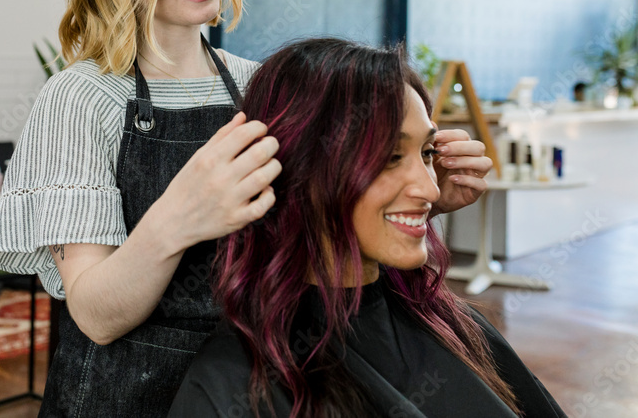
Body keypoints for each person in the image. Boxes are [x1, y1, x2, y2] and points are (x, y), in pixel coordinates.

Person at [0, 0, 493, 417]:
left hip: (253, 389)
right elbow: (97, 317)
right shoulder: (80, 100)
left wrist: (414, 191)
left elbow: (313, 234)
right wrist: (179, 216)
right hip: (126, 397)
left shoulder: (258, 86)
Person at [168, 38, 566, 418]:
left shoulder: (446, 322)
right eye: (390, 156)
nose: (430, 188)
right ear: (304, 169)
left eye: (426, 152)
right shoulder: (231, 387)